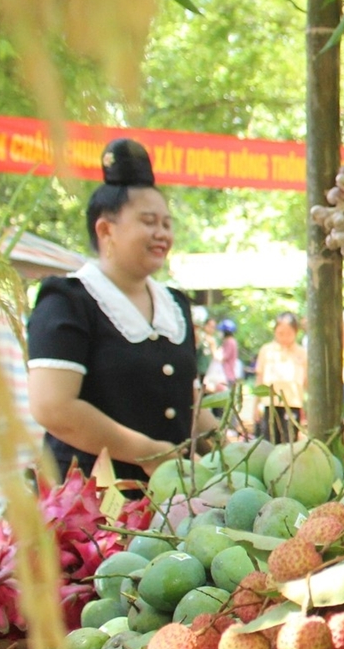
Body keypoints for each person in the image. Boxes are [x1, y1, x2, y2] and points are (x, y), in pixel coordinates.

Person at [27, 139, 219, 481]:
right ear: (105, 229)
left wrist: (228, 452)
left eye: (166, 223)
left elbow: (187, 399)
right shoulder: (68, 301)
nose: (162, 233)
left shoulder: (174, 304)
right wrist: (147, 452)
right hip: (91, 507)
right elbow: (52, 406)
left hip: (175, 501)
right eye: (148, 222)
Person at [254, 312, 306, 443]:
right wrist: (255, 405)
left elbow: (307, 382)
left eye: (289, 333)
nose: (284, 338)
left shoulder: (302, 353)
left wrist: (308, 407)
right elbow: (259, 378)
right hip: (270, 403)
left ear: (296, 332)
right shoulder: (266, 350)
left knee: (290, 442)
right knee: (269, 441)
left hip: (292, 403)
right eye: (280, 333)